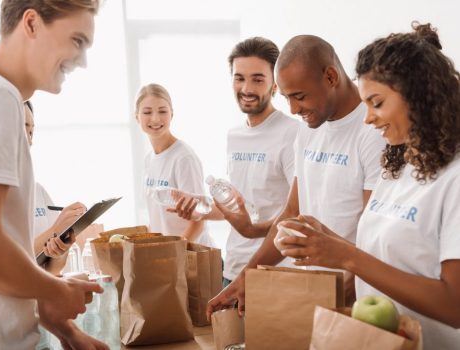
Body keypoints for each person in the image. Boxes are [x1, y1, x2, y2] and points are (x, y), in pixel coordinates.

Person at [278, 23, 460, 349]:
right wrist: (325, 239)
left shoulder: (455, 179)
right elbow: (386, 256)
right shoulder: (397, 166)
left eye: (376, 103)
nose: (367, 118)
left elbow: (455, 304)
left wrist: (349, 258)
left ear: (418, 96)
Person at [0, 1, 108, 349]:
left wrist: (59, 324)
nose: (82, 60)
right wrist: (57, 289)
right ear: (31, 23)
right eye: (77, 41)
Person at [206, 35, 385, 315]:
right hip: (310, 294)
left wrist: (337, 302)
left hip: (355, 304)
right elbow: (291, 212)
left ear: (330, 76)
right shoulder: (308, 130)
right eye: (287, 98)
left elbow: (375, 237)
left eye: (299, 97)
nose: (293, 109)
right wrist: (246, 278)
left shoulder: (373, 130)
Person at [171, 37, 300, 286]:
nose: (247, 88)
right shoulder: (234, 136)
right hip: (232, 270)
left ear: (275, 85)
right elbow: (238, 208)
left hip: (277, 272)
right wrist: (200, 208)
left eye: (257, 79)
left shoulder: (293, 134)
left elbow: (298, 212)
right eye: (239, 78)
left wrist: (251, 230)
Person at [135, 83, 215, 246]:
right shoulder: (149, 159)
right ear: (137, 117)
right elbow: (157, 217)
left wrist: (174, 254)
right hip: (167, 255)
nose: (155, 118)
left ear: (172, 114)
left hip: (190, 256)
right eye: (147, 112)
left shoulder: (184, 158)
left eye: (162, 111)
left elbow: (198, 221)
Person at [25, 100, 87, 276]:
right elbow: (6, 263)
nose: (29, 140)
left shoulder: (37, 190)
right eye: (23, 127)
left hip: (40, 296)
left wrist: (61, 249)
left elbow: (54, 268)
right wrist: (54, 230)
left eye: (31, 131)